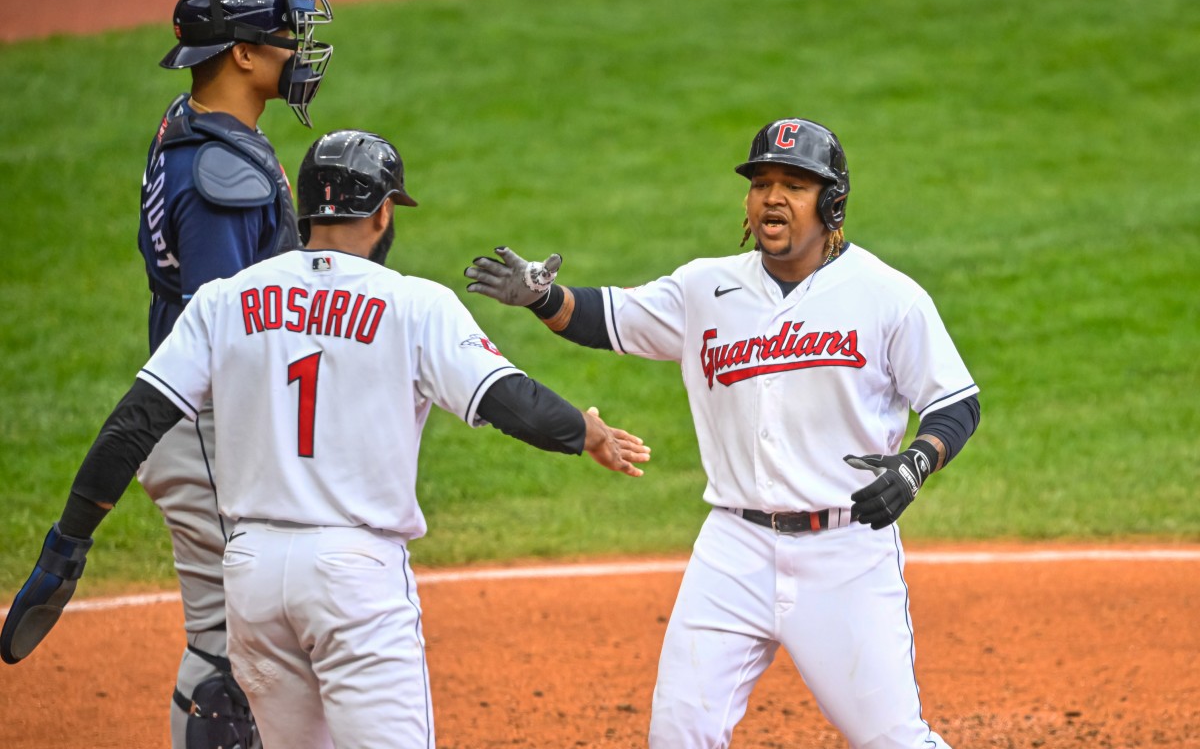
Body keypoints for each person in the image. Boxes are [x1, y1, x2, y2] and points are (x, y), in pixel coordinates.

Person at [0, 129, 651, 748]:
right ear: (383, 214)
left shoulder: (227, 299)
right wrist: (585, 431)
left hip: (252, 579)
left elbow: (131, 425)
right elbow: (508, 401)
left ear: (308, 211)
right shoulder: (412, 304)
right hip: (353, 581)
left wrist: (68, 543)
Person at [463, 117, 981, 748]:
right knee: (678, 735)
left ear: (833, 201)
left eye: (794, 184)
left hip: (844, 553)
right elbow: (608, 317)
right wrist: (543, 299)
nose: (772, 197)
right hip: (732, 550)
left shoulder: (886, 296)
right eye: (761, 182)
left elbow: (956, 403)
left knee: (893, 739)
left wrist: (915, 463)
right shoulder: (705, 286)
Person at [138, 0, 332, 747]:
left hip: (206, 421)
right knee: (228, 641)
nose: (299, 50)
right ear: (243, 56)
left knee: (245, 630)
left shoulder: (195, 129)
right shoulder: (222, 177)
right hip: (215, 425)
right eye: (284, 37)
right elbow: (228, 328)